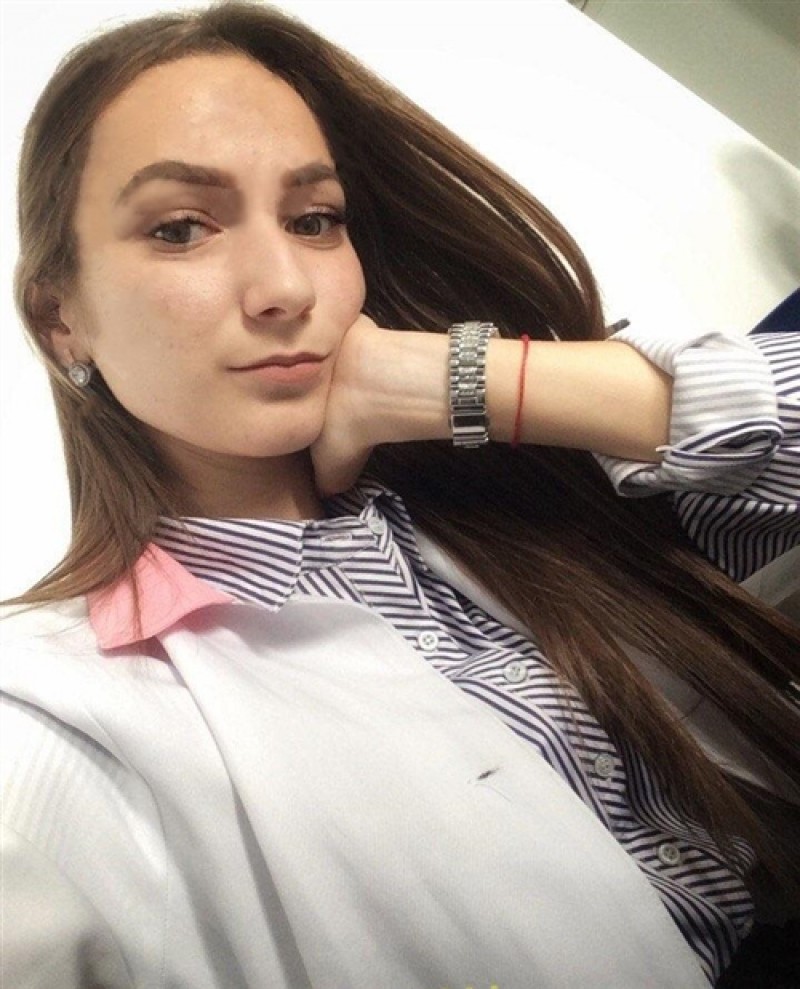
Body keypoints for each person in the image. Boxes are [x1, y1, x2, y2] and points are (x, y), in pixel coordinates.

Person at [1, 2, 798, 986]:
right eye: (181, 228)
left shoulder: (518, 484)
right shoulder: (56, 710)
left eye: (314, 219)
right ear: (61, 318)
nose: (285, 285)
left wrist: (462, 379)